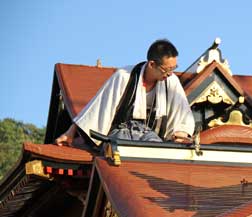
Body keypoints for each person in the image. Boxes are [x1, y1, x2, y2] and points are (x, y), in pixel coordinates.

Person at [55, 39, 194, 146]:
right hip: (121, 133)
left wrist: (180, 133)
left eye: (173, 68)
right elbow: (98, 107)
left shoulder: (172, 81)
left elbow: (182, 114)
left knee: (157, 154)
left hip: (150, 135)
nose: (170, 74)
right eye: (166, 70)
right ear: (152, 64)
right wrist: (70, 133)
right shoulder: (124, 76)